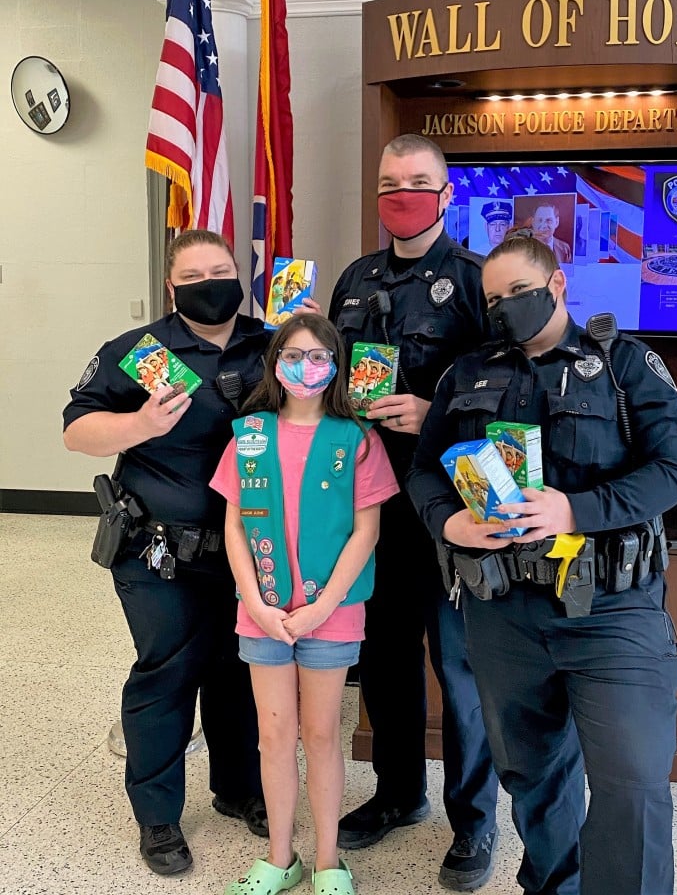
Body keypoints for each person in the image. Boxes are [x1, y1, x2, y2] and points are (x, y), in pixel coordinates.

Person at [407, 233, 677, 895]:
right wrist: (448, 522)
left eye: (520, 293)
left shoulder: (624, 365)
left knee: (632, 780)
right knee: (531, 773)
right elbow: (425, 471)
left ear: (557, 285)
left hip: (611, 609)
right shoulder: (467, 372)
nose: (505, 308)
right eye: (494, 299)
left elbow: (673, 474)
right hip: (504, 609)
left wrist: (575, 510)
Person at [62, 229, 269, 876]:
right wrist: (139, 425)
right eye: (195, 272)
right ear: (171, 286)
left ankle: (238, 790)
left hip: (251, 552)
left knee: (239, 674)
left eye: (223, 268)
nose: (211, 281)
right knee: (168, 675)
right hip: (160, 554)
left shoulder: (272, 345)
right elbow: (76, 429)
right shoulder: (139, 353)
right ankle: (158, 819)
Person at [326, 134, 499, 892]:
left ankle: (475, 823)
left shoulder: (473, 282)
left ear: (447, 192)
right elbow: (325, 376)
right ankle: (398, 794)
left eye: (419, 182)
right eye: (391, 182)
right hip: (372, 506)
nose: (403, 194)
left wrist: (433, 412)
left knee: (459, 669)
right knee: (387, 662)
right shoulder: (355, 279)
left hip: (452, 507)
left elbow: (511, 396)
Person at [210, 314, 399, 895]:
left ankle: (326, 859)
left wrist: (320, 610)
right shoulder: (250, 433)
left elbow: (366, 532)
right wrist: (255, 601)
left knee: (320, 735)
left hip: (332, 614)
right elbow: (235, 527)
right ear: (274, 363)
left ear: (338, 366)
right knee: (273, 734)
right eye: (294, 355)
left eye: (319, 356)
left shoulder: (358, 438)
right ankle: (279, 855)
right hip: (262, 612)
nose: (306, 367)